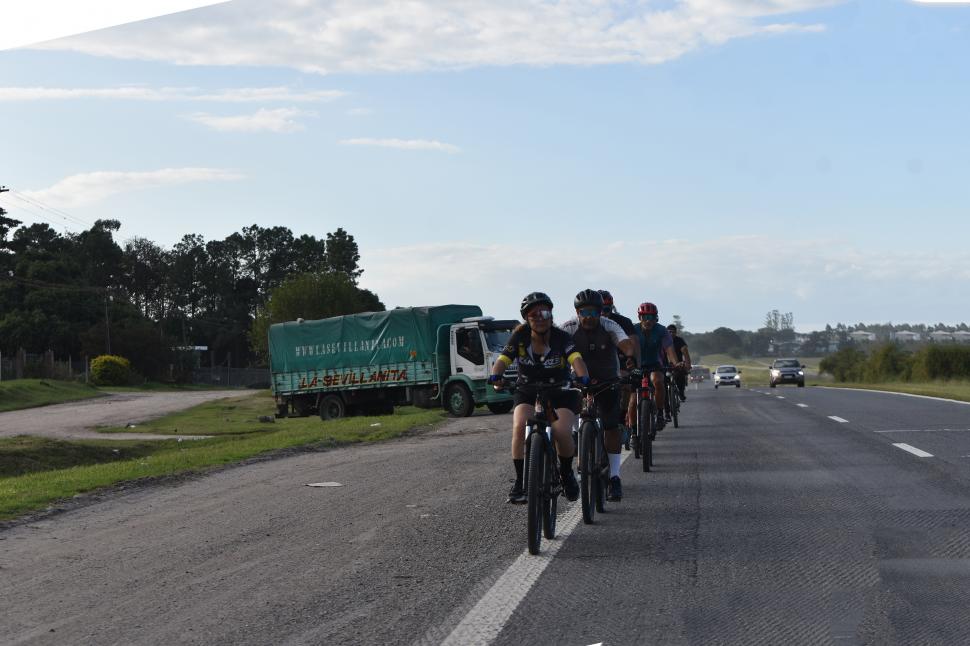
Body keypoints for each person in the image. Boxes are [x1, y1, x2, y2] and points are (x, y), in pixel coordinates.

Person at [488, 292, 590, 504]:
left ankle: (566, 474)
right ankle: (520, 481)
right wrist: (496, 376)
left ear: (551, 315)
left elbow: (576, 359)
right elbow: (503, 360)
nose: (540, 318)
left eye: (544, 313)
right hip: (527, 389)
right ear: (527, 318)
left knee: (561, 430)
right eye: (534, 315)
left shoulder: (561, 337)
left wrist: (583, 376)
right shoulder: (520, 337)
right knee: (519, 426)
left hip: (560, 391)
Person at [559, 289, 637, 501]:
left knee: (611, 426)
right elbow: (554, 348)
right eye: (584, 312)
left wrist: (630, 356)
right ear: (577, 312)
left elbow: (624, 342)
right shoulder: (568, 328)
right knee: (568, 416)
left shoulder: (609, 325)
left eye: (593, 312)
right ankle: (578, 441)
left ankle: (614, 477)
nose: (588, 317)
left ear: (600, 312)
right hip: (577, 380)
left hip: (607, 379)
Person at [628, 302, 681, 431]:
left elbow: (669, 350)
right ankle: (633, 432)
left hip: (654, 364)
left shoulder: (662, 330)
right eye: (645, 317)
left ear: (656, 318)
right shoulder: (633, 330)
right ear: (639, 317)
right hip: (637, 366)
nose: (648, 320)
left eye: (651, 317)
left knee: (658, 381)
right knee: (633, 400)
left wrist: (676, 363)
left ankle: (660, 413)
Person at [599, 289, 638, 449]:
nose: (603, 313)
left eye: (607, 309)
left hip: (620, 359)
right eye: (599, 309)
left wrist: (634, 365)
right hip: (596, 362)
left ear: (612, 308)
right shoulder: (585, 323)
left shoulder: (623, 322)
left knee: (626, 385)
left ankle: (622, 417)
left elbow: (633, 345)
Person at [666, 323, 692, 401]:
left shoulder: (679, 340)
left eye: (673, 332)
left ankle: (681, 392)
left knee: (680, 375)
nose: (671, 333)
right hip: (665, 364)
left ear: (676, 333)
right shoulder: (663, 340)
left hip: (678, 364)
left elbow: (685, 352)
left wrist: (688, 365)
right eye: (669, 332)